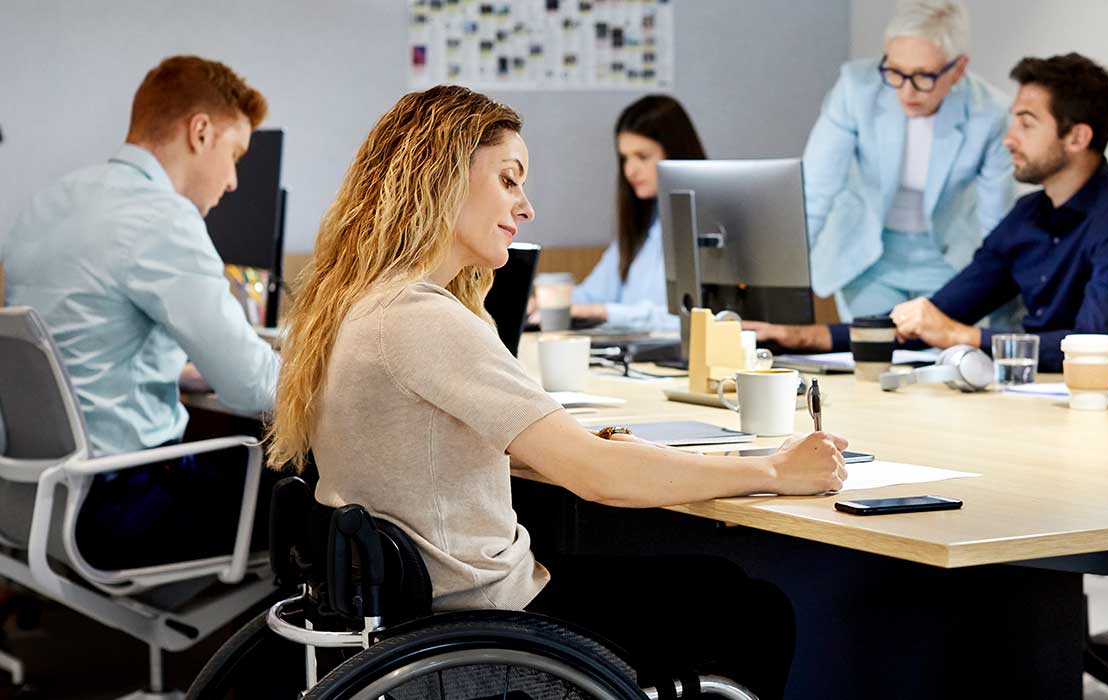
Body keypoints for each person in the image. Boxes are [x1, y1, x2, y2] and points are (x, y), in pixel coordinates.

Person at [268, 85, 848, 697]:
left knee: (719, 588)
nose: (525, 207)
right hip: (487, 622)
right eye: (509, 180)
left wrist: (560, 441)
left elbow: (418, 447)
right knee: (746, 606)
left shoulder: (355, 305)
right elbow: (599, 478)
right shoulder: (423, 318)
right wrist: (775, 471)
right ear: (440, 178)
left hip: (420, 611)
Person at [0, 55, 279, 570]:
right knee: (300, 493)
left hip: (31, 499)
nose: (235, 180)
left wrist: (179, 371)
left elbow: (79, 348)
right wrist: (337, 377)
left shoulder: (49, 200)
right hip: (118, 508)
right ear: (200, 132)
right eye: (235, 153)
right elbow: (251, 385)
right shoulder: (161, 217)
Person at [754, 53, 1108, 373]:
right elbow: (937, 315)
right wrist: (794, 337)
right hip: (1040, 400)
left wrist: (959, 336)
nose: (1009, 139)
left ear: (1077, 137)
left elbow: (1095, 348)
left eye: (1027, 124)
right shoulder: (1028, 215)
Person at [803, 0, 1013, 319]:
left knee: (946, 363)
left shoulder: (990, 112)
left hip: (950, 259)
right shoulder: (856, 88)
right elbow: (815, 190)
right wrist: (779, 277)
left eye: (923, 76)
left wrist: (1001, 312)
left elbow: (996, 221)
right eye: (895, 71)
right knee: (873, 356)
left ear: (957, 70)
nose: (906, 91)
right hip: (868, 256)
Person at [570, 94, 706, 332]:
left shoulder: (708, 225)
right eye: (624, 158)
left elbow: (689, 318)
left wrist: (606, 312)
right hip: (632, 360)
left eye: (642, 157)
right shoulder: (643, 224)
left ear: (675, 152)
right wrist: (548, 303)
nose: (629, 170)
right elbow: (592, 295)